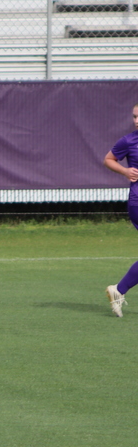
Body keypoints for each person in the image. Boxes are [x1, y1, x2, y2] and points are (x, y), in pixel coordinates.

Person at [102, 102, 138, 316]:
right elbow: (108, 159)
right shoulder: (129, 141)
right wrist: (125, 171)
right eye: (134, 116)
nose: (136, 120)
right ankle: (118, 289)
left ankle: (118, 290)